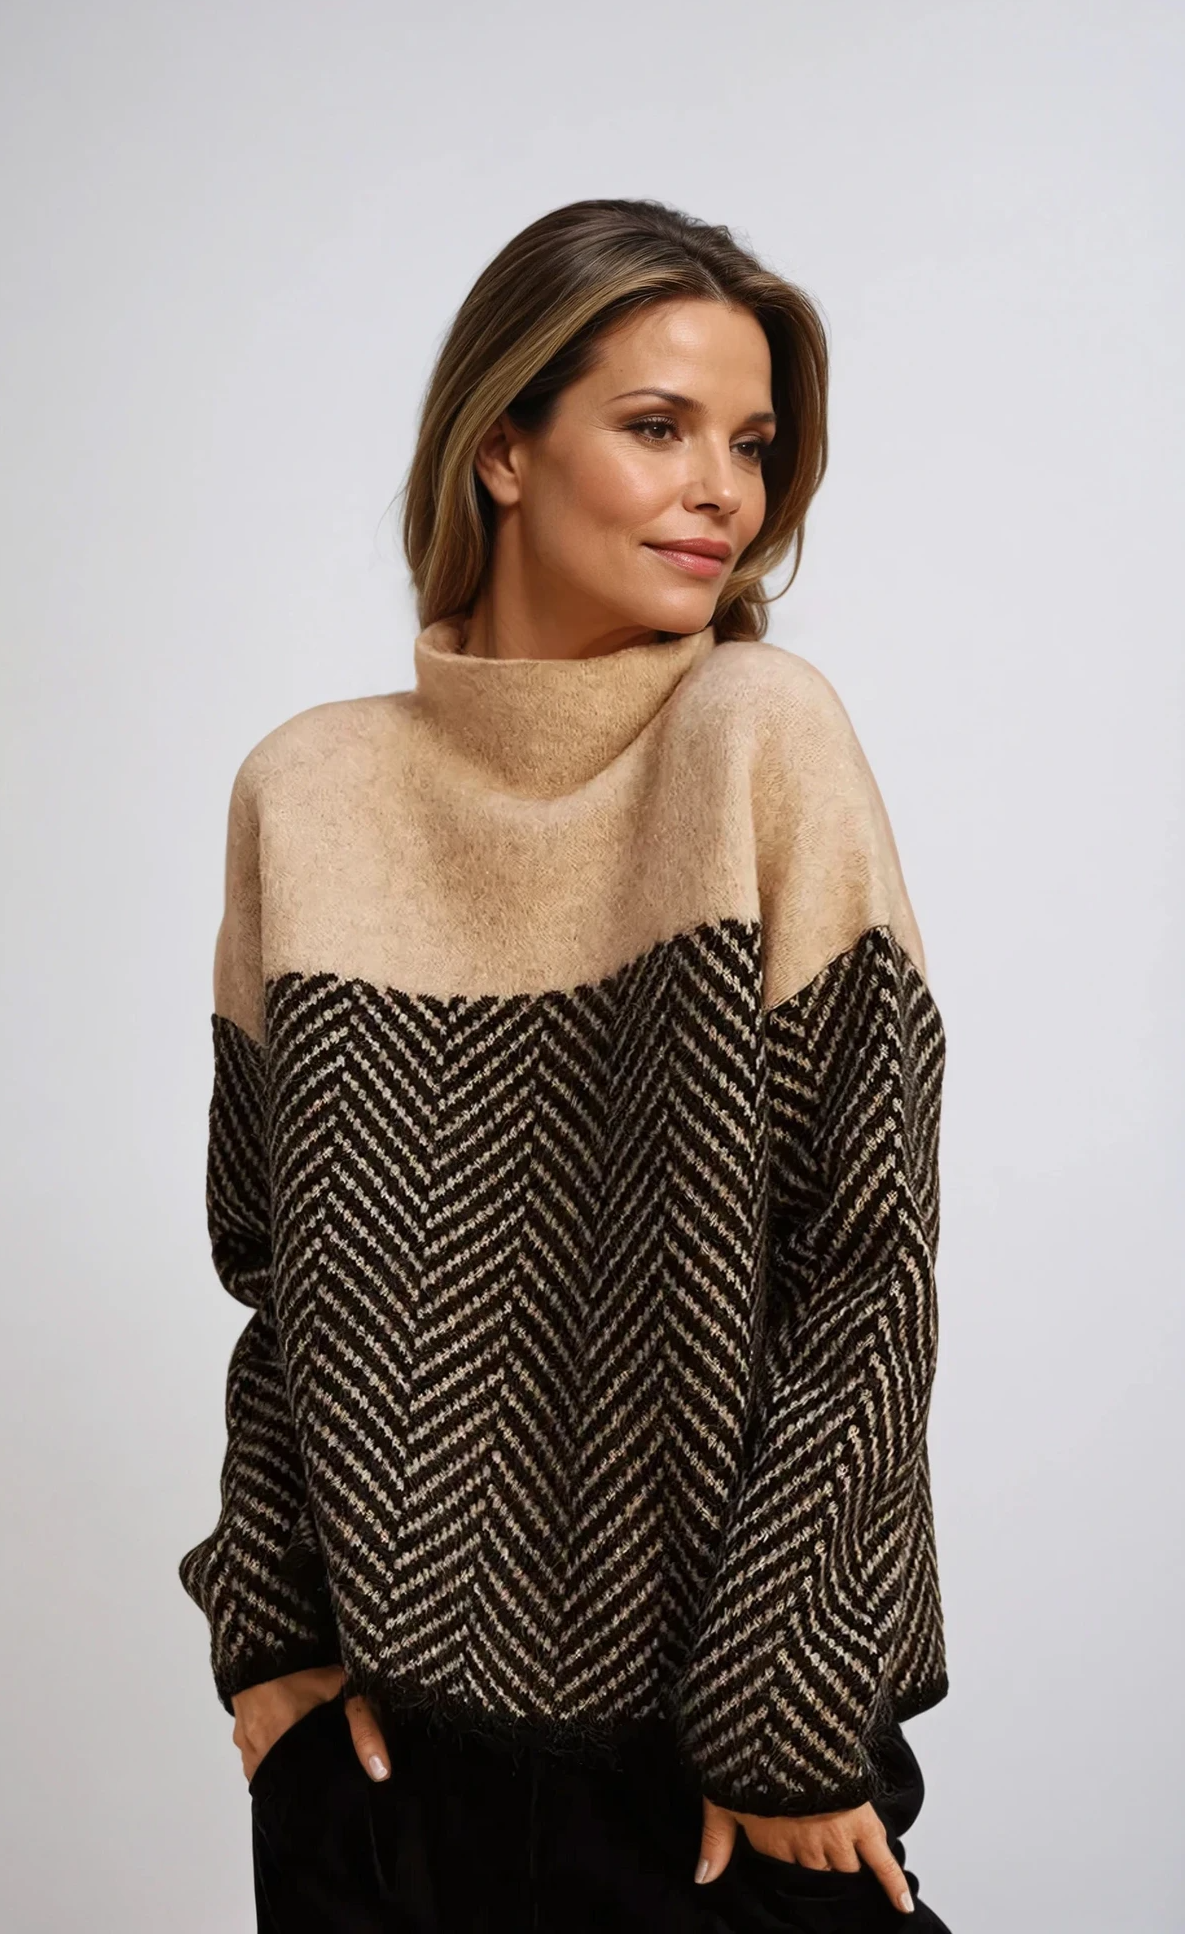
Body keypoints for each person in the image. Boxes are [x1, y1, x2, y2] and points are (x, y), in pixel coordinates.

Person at [179, 197, 953, 1933]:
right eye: (659, 426)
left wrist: (784, 1715)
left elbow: (865, 1262)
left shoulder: (759, 735)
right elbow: (272, 1262)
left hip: (719, 1755)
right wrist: (273, 1631)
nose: (722, 492)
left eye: (751, 444)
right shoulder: (306, 790)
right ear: (503, 448)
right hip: (385, 1771)